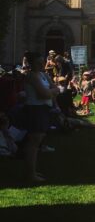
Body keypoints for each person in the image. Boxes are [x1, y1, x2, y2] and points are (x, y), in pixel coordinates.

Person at [22, 51, 59, 182]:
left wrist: (52, 91)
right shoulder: (32, 76)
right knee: (34, 142)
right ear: (32, 63)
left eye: (42, 61)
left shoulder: (43, 75)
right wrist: (52, 92)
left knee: (38, 141)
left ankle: (33, 171)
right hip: (35, 109)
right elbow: (44, 94)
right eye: (39, 62)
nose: (42, 64)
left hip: (43, 109)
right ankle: (30, 174)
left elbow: (55, 88)